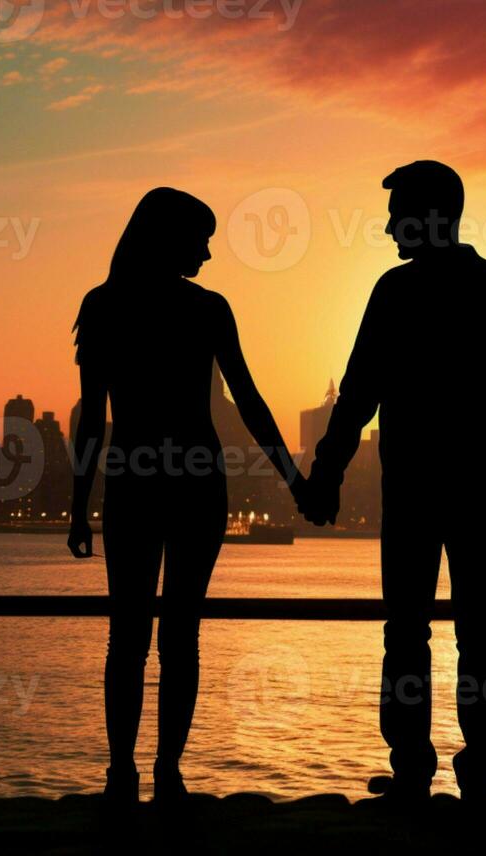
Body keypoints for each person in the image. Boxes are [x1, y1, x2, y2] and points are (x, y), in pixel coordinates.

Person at [299, 161, 486, 805]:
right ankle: (479, 771)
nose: (387, 227)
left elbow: (357, 398)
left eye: (398, 213)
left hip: (413, 490)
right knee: (479, 629)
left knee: (407, 628)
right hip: (480, 490)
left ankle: (413, 767)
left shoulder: (396, 294)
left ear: (431, 213)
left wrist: (326, 476)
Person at [68, 187, 305, 805]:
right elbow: (249, 401)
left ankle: (124, 774)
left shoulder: (103, 306)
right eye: (200, 238)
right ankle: (166, 773)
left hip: (133, 482)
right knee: (181, 633)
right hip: (197, 481)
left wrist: (78, 504)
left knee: (129, 634)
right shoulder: (207, 309)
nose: (206, 250)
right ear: (168, 238)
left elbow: (93, 417)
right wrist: (294, 479)